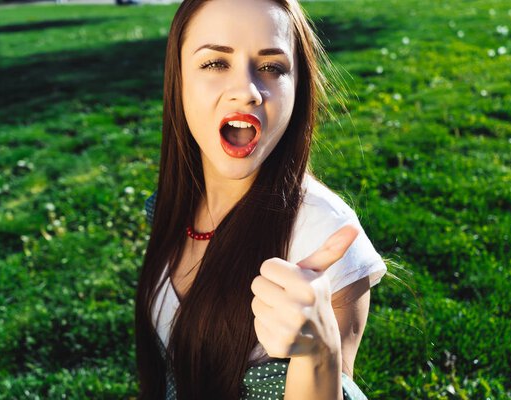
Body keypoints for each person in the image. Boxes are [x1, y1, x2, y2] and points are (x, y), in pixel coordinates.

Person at [135, 0, 387, 399]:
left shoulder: (324, 239)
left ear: (298, 86)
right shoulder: (175, 200)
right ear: (177, 78)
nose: (247, 91)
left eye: (272, 67)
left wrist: (318, 355)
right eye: (216, 63)